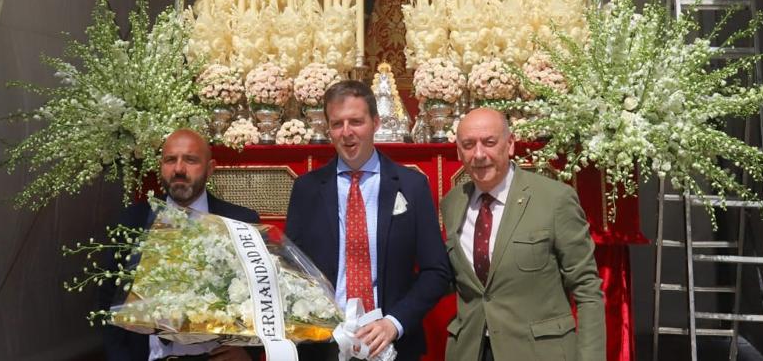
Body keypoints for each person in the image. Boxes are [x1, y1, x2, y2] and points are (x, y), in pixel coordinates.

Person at [285, 80, 451, 360]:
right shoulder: (307, 189)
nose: (347, 133)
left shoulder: (411, 186)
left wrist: (394, 323)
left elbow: (436, 271)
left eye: (356, 121)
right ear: (328, 129)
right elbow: (290, 269)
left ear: (375, 122)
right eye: (337, 124)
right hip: (324, 345)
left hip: (391, 345)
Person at [440, 108, 604, 361]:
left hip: (538, 352)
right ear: (459, 151)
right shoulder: (452, 203)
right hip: (471, 351)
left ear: (511, 144)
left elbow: (587, 288)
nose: (479, 154)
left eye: (489, 142)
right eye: (469, 145)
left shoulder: (554, 199)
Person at [103, 129, 260, 361]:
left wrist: (248, 353)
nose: (178, 169)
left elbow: (264, 299)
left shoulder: (240, 222)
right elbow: (108, 300)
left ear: (210, 169)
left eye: (190, 160)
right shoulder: (132, 221)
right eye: (170, 160)